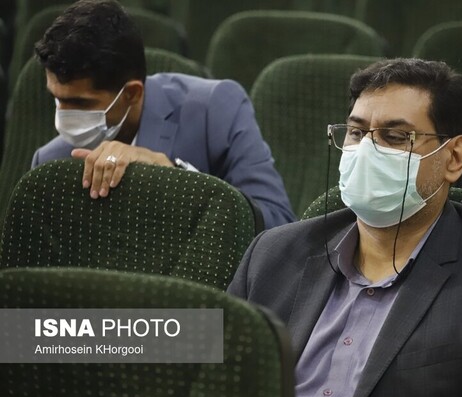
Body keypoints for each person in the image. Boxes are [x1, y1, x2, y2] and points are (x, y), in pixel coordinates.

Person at [228, 58, 462, 397]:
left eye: (396, 137)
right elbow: (192, 351)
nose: (367, 151)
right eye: (356, 133)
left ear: (454, 157)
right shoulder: (273, 252)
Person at [31, 0, 295, 229]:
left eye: (80, 103)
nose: (63, 115)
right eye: (57, 99)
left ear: (132, 93)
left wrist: (175, 179)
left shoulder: (215, 110)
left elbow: (277, 224)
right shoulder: (51, 161)